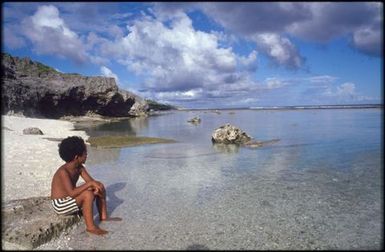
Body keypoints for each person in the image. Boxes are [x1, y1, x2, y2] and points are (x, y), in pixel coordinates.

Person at [51, 136, 121, 235]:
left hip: (70, 199)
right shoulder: (64, 172)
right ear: (76, 157)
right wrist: (90, 185)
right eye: (85, 153)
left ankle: (104, 216)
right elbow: (71, 193)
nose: (87, 155)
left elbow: (91, 182)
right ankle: (91, 227)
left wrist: (95, 187)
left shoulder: (80, 168)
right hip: (60, 204)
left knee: (99, 185)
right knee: (88, 195)